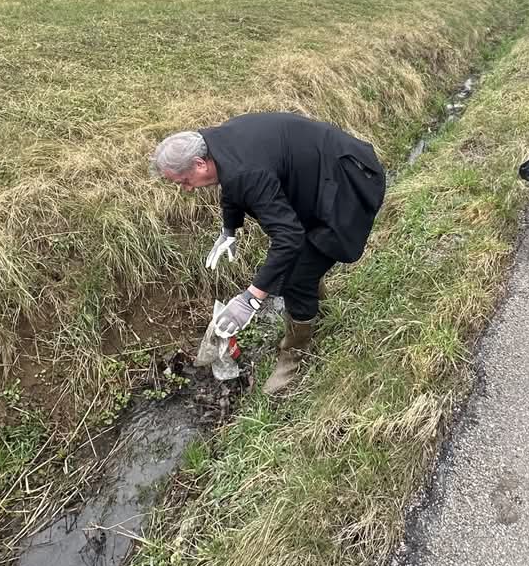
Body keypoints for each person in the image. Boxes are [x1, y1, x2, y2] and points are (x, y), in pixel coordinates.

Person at [150, 112, 386, 395]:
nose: (186, 189)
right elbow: (231, 183)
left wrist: (251, 299)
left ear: (200, 163)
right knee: (300, 263)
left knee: (295, 277)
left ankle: (295, 357)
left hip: (351, 180)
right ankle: (316, 311)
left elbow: (289, 237)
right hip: (322, 174)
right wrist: (229, 229)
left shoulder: (245, 170)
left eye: (184, 181)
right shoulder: (216, 144)